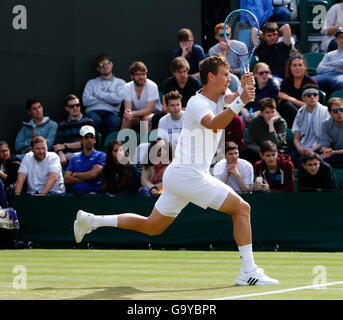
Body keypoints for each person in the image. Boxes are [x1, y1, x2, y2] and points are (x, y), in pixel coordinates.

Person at [73, 55, 279, 286]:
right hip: (188, 176)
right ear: (211, 77)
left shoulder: (220, 95)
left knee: (152, 226)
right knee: (242, 209)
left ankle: (92, 221)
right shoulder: (197, 102)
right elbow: (215, 123)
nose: (228, 78)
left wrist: (243, 88)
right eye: (224, 74)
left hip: (179, 176)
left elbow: (233, 98)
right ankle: (248, 271)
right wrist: (241, 98)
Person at [82, 54, 126, 135]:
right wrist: (109, 100)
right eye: (101, 65)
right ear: (98, 69)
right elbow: (86, 101)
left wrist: (98, 95)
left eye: (107, 63)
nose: (105, 67)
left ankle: (107, 145)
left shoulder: (120, 83)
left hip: (111, 113)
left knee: (115, 122)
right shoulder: (91, 83)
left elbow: (118, 99)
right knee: (95, 120)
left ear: (111, 64)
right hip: (93, 112)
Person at [290, 84, 329, 168]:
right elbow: (296, 137)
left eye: (315, 95)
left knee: (303, 161)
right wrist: (299, 148)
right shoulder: (300, 112)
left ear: (318, 97)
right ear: (303, 98)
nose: (312, 97)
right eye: (309, 95)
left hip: (318, 148)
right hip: (303, 147)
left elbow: (328, 138)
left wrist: (312, 149)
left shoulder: (325, 112)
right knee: (288, 159)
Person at [241, 97, 288, 165]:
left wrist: (271, 125)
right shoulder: (254, 122)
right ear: (261, 113)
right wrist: (263, 152)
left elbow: (277, 143)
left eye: (273, 112)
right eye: (267, 112)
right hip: (259, 152)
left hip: (277, 152)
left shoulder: (281, 123)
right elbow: (250, 142)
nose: (270, 115)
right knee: (244, 152)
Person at [121, 61, 162, 135]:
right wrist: (128, 113)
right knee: (126, 118)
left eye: (143, 74)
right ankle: (119, 144)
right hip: (137, 116)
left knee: (146, 119)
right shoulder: (127, 87)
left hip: (154, 115)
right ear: (131, 76)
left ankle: (144, 145)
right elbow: (128, 108)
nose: (141, 77)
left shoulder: (152, 86)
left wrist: (132, 113)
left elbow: (149, 110)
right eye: (137, 75)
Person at [53, 94, 95, 168]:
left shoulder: (88, 121)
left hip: (83, 153)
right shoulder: (62, 124)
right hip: (66, 155)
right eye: (72, 106)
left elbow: (87, 142)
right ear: (67, 108)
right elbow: (57, 144)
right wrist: (60, 154)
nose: (75, 108)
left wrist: (65, 146)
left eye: (77, 105)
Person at [64, 125, 106, 195]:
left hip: (93, 193)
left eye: (91, 137)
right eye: (86, 137)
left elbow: (93, 175)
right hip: (75, 194)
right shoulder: (74, 158)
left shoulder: (101, 156)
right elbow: (67, 179)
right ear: (81, 140)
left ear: (95, 139)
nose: (89, 140)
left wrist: (76, 174)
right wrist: (87, 176)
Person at [278, 55, 316, 128]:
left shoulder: (310, 82)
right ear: (290, 68)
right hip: (289, 115)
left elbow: (312, 106)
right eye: (294, 65)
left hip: (307, 114)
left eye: (300, 65)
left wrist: (289, 98)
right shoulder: (286, 81)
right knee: (283, 105)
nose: (297, 68)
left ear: (304, 67)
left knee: (286, 103)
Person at [314, 27, 343, 95]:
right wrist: (334, 68)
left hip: (341, 75)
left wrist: (329, 64)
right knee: (310, 81)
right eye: (340, 37)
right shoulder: (329, 54)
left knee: (341, 82)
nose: (342, 40)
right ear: (335, 39)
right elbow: (319, 69)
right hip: (328, 74)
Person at [321, 97, 343, 168]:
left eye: (341, 109)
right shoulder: (326, 123)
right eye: (335, 111)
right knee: (318, 161)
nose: (339, 113)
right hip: (336, 153)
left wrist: (333, 152)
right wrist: (326, 151)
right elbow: (324, 143)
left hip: (337, 152)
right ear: (330, 113)